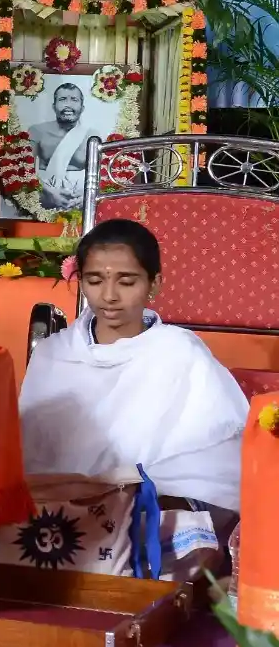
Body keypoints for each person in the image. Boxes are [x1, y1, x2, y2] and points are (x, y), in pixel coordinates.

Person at [18, 219, 247, 516]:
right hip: (55, 512)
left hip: (150, 512)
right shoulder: (53, 353)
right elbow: (28, 456)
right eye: (95, 280)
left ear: (154, 283)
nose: (109, 295)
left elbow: (214, 462)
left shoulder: (179, 352)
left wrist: (132, 489)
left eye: (126, 282)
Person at [28, 81, 92, 210]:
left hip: (80, 198)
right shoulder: (37, 131)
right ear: (53, 106)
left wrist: (85, 195)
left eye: (74, 100)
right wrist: (49, 192)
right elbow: (25, 170)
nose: (68, 105)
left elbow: (99, 175)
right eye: (62, 99)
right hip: (44, 194)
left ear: (82, 107)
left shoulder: (92, 135)